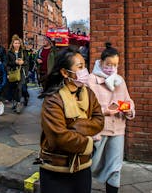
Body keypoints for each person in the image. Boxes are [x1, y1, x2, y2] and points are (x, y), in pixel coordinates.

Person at [37, 47, 104, 193]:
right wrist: (88, 143)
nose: (84, 71)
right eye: (80, 67)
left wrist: (75, 125)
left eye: (85, 66)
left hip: (83, 167)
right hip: (56, 169)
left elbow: (99, 121)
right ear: (65, 72)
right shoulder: (53, 100)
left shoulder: (89, 94)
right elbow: (58, 137)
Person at [88, 43, 135, 193]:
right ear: (101, 62)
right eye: (108, 64)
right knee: (91, 165)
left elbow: (128, 101)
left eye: (115, 65)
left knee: (115, 168)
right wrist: (105, 111)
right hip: (99, 131)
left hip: (118, 130)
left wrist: (128, 110)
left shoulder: (119, 80)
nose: (112, 68)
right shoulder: (91, 80)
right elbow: (85, 108)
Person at [6, 34, 29, 113]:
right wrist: (8, 72)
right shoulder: (9, 53)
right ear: (12, 44)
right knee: (14, 89)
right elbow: (7, 63)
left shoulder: (24, 52)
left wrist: (23, 62)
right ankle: (15, 103)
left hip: (21, 72)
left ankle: (18, 104)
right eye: (15, 43)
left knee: (19, 88)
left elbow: (27, 62)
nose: (17, 44)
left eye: (18, 43)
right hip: (13, 73)